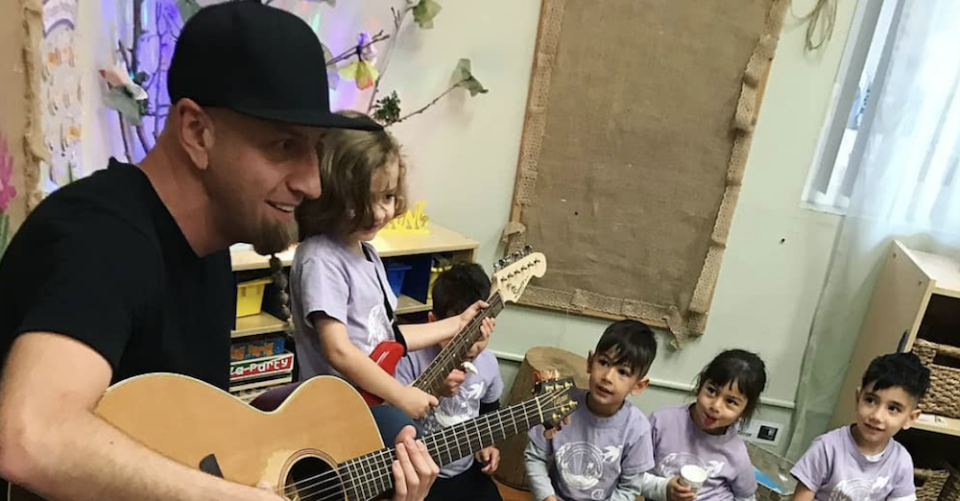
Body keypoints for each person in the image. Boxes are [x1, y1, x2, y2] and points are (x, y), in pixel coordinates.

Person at [0, 3, 437, 501]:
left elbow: (191, 440)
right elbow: (32, 437)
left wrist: (315, 432)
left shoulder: (210, 251)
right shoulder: (98, 237)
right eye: (282, 146)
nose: (313, 183)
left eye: (315, 148)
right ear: (195, 131)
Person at [290, 113, 493, 420]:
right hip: (333, 417)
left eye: (387, 197)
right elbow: (339, 351)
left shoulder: (367, 254)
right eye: (360, 200)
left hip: (367, 406)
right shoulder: (321, 258)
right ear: (330, 194)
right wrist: (400, 395)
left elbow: (387, 340)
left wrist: (458, 323)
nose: (378, 212)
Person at [395, 263, 505, 501]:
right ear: (434, 321)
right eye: (460, 335)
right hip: (420, 473)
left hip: (465, 469)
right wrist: (434, 387)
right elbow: (392, 418)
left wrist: (487, 443)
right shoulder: (410, 358)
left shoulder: (488, 364)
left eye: (480, 337)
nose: (471, 347)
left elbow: (489, 408)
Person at [525, 319, 658, 501]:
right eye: (603, 362)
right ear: (590, 362)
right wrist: (547, 497)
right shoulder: (560, 402)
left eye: (623, 372)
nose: (608, 377)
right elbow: (534, 458)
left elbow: (629, 488)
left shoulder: (638, 428)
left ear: (638, 386)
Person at [789, 352, 930, 501]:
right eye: (870, 400)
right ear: (858, 399)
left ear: (910, 418)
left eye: (893, 409)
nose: (877, 416)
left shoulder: (901, 461)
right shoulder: (826, 448)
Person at [642, 349, 768, 501]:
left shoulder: (737, 453)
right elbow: (629, 475)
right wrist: (663, 488)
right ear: (700, 385)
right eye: (712, 391)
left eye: (731, 402)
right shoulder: (661, 422)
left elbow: (746, 497)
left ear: (745, 410)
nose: (715, 406)